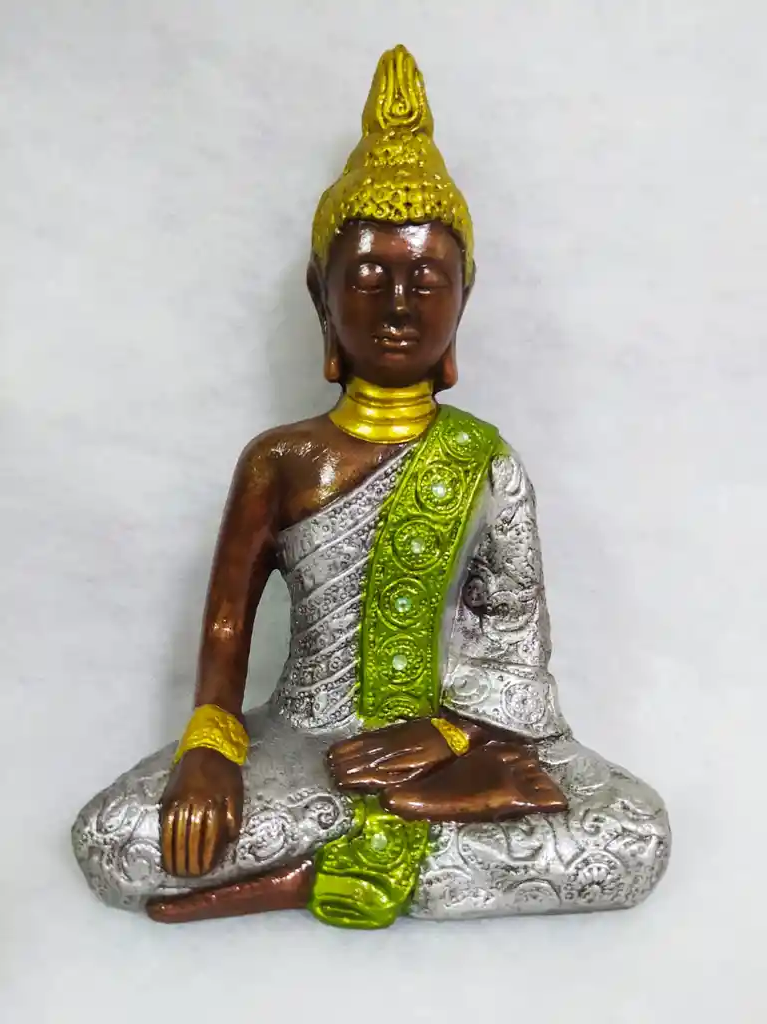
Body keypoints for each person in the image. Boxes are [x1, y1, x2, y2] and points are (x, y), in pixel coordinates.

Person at [72, 45, 670, 928]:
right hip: (306, 746)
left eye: (426, 279)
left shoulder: (485, 460)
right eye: (368, 277)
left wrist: (450, 736)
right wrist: (210, 750)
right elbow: (228, 625)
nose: (398, 304)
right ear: (322, 296)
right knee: (116, 840)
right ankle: (398, 848)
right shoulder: (279, 459)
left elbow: (513, 640)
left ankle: (306, 878)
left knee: (633, 834)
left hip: (455, 745)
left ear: (464, 297)